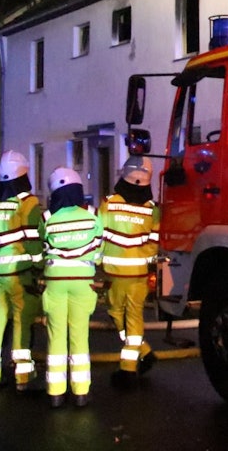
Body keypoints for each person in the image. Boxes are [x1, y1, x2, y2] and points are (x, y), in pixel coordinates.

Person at [0, 150, 44, 393]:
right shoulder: (27, 204)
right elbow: (34, 242)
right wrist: (39, 267)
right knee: (21, 322)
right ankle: (23, 377)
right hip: (21, 274)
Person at [40, 167, 104, 408]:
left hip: (55, 283)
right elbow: (98, 252)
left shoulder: (47, 218)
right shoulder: (93, 215)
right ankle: (80, 393)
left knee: (56, 337)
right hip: (83, 282)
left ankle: (55, 393)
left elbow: (41, 249)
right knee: (80, 337)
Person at [99, 156, 161, 389]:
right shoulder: (152, 210)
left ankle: (128, 369)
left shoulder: (108, 203)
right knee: (133, 317)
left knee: (117, 314)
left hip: (114, 273)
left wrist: (96, 262)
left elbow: (99, 236)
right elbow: (154, 243)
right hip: (138, 274)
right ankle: (142, 352)